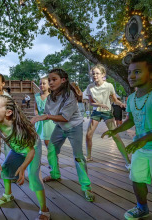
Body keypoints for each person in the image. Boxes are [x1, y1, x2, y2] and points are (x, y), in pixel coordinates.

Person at [102, 51, 152, 219]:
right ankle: (142, 208)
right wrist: (116, 130)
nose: (131, 76)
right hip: (142, 146)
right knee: (137, 178)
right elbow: (132, 120)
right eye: (129, 72)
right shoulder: (131, 98)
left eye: (137, 72)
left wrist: (145, 137)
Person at [31, 68, 95, 202]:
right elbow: (48, 115)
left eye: (54, 79)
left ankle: (86, 187)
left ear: (63, 80)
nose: (51, 82)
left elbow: (65, 118)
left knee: (78, 156)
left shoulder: (69, 95)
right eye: (49, 80)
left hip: (74, 127)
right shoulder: (50, 97)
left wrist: (45, 116)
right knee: (52, 150)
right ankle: (54, 174)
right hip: (60, 127)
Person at [0, 95, 50, 220]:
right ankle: (8, 195)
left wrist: (23, 167)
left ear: (8, 112)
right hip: (17, 149)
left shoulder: (18, 129)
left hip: (32, 148)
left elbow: (30, 151)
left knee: (33, 177)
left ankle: (44, 210)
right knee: (5, 168)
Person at [85, 64, 131, 170]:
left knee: (115, 136)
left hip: (107, 112)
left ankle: (128, 162)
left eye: (97, 73)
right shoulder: (90, 87)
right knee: (88, 135)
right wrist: (100, 105)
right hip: (96, 112)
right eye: (93, 74)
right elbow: (91, 103)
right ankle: (88, 157)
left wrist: (121, 104)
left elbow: (115, 100)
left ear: (103, 74)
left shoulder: (109, 86)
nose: (95, 75)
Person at [34, 77, 55, 152]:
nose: (41, 85)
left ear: (49, 85)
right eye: (40, 84)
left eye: (44, 83)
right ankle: (36, 161)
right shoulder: (37, 96)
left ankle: (52, 160)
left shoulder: (52, 96)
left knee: (48, 142)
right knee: (36, 142)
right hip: (39, 121)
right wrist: (36, 115)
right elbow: (35, 109)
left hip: (48, 121)